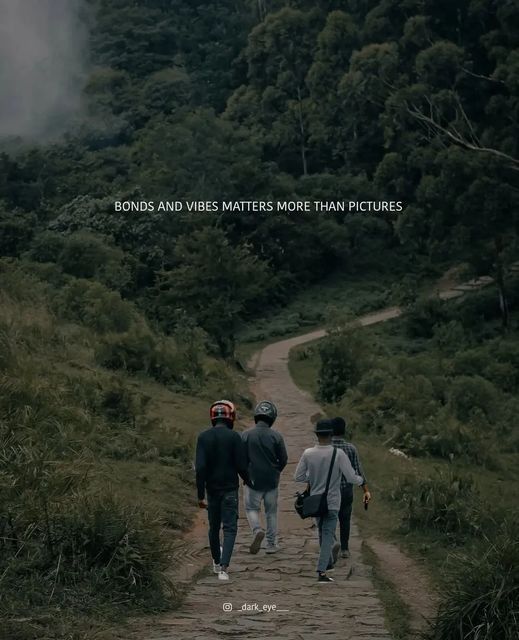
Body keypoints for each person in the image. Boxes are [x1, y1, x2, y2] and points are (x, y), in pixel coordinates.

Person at [294, 419, 364, 583]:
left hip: (316, 501)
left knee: (321, 532)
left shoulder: (308, 453)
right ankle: (322, 571)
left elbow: (298, 476)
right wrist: (361, 481)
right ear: (331, 435)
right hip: (332, 501)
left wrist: (312, 478)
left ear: (317, 435)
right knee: (327, 535)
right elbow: (350, 477)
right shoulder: (338, 454)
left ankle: (328, 563)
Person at [195, 400, 250, 581]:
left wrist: (200, 495)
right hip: (230, 490)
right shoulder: (235, 437)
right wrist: (248, 481)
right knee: (230, 528)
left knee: (214, 528)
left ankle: (216, 561)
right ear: (230, 418)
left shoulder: (203, 437)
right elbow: (242, 465)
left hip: (212, 490)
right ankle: (224, 568)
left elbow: (200, 467)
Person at [242, 400, 288, 554]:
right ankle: (271, 544)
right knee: (271, 513)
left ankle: (256, 530)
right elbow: (284, 459)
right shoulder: (277, 436)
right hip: (271, 481)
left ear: (257, 416)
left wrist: (245, 473)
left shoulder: (246, 435)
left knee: (251, 508)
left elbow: (241, 458)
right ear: (272, 418)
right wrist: (276, 471)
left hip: (253, 479)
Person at [331, 416, 371, 558]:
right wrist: (365, 489)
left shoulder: (326, 448)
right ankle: (345, 549)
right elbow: (358, 470)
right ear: (344, 431)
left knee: (329, 518)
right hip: (346, 490)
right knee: (345, 519)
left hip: (329, 491)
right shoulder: (350, 448)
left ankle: (332, 542)